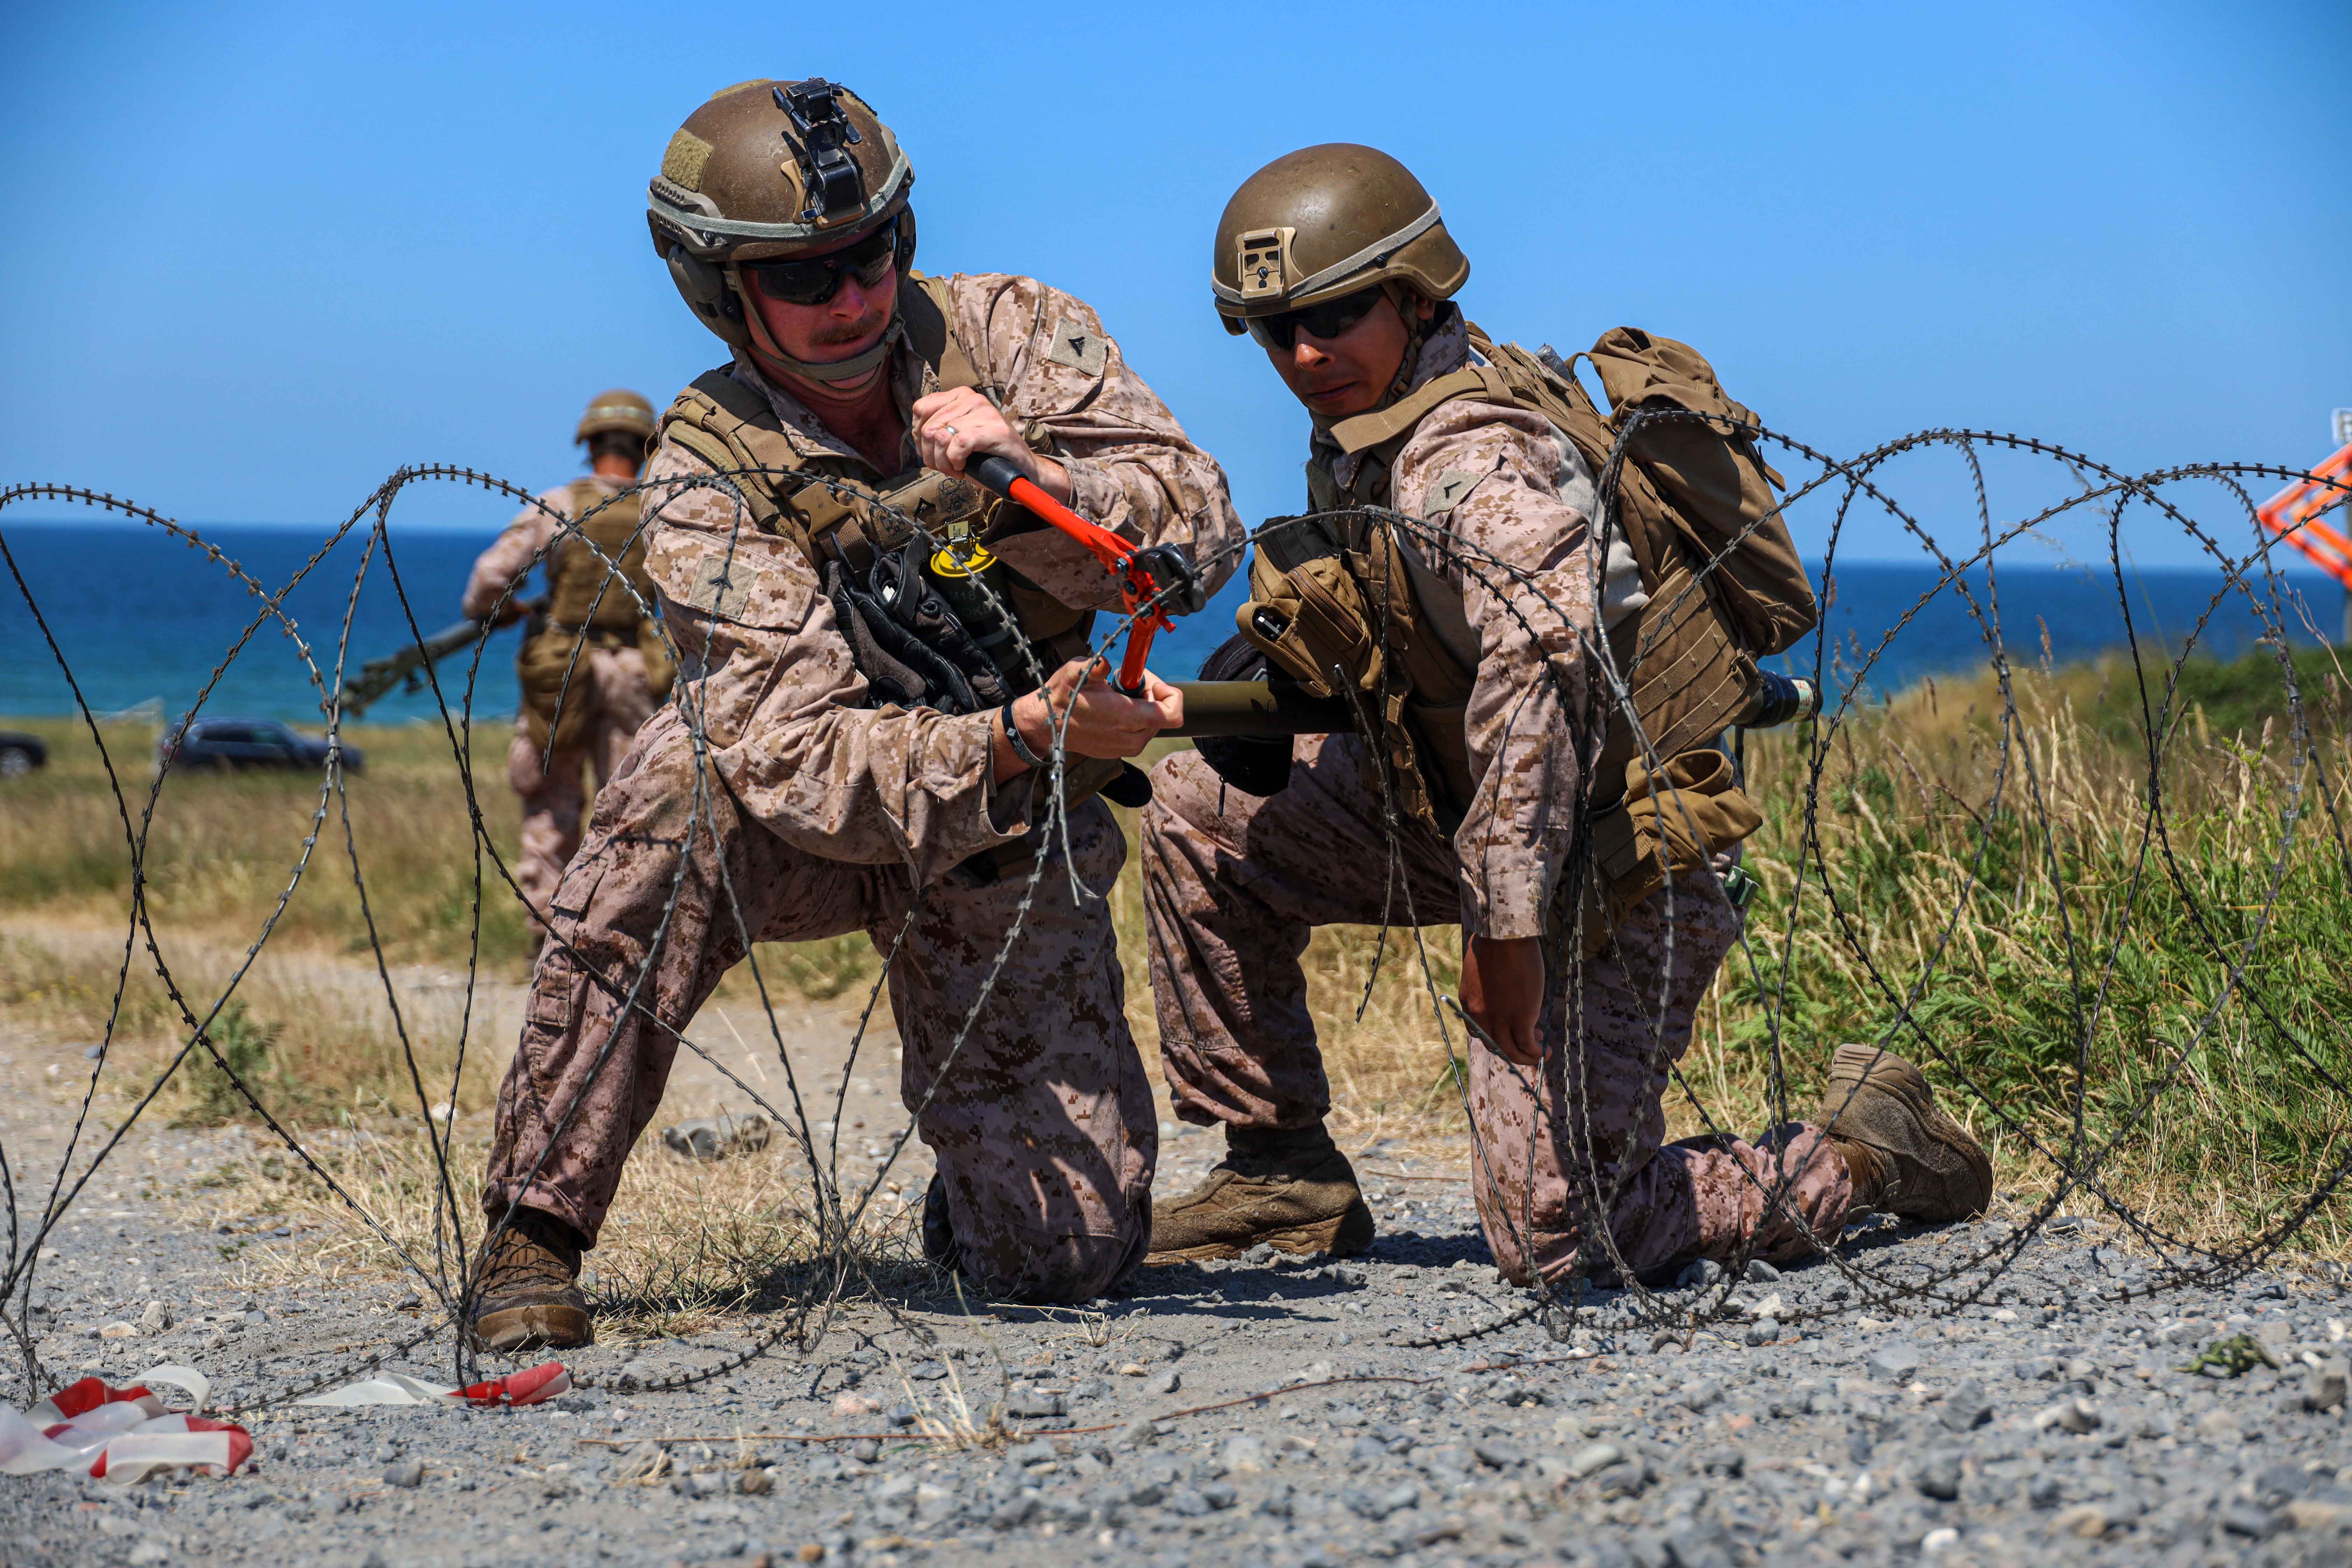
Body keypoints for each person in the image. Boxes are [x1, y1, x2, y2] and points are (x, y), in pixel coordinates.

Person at [470, 77, 1239, 1349]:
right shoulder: (711, 465)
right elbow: (798, 753)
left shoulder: (1017, 332)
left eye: (869, 256)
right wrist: (1017, 735)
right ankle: (534, 1225)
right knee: (677, 783)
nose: (852, 299)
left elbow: (1197, 531)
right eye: (805, 277)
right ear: (722, 289)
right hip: (826, 812)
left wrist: (1045, 477)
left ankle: (984, 1182)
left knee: (1068, 1261)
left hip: (1002, 813)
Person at [1139, 144, 1991, 1284]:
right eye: (1273, 325)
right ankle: (1280, 1167)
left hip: (1612, 851)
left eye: (1335, 314)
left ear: (1416, 291)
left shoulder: (1473, 460)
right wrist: (1195, 702)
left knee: (1557, 1233)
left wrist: (1505, 932)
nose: (1303, 352)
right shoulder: (1370, 426)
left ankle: (1868, 1153)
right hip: (1473, 812)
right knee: (1199, 801)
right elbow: (1416, 661)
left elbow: (1539, 673)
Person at [461, 389, 671, 938]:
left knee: (552, 810)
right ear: (648, 445)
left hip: (561, 668)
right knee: (628, 812)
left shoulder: (560, 504)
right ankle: (618, 932)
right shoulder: (662, 510)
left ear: (590, 443)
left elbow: (487, 582)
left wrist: (504, 612)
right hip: (634, 670)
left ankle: (548, 941)